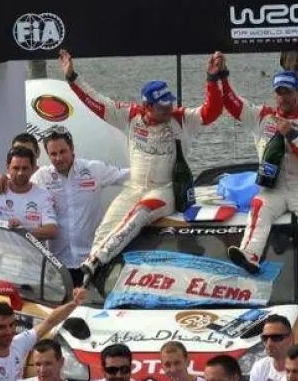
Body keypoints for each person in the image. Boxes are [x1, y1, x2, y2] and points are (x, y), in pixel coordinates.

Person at [60, 49, 223, 284]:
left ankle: (97, 260)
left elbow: (212, 111)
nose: (168, 109)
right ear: (147, 105)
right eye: (162, 106)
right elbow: (96, 102)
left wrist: (211, 78)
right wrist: (72, 78)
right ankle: (91, 280)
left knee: (140, 214)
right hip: (134, 187)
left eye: (169, 103)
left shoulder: (181, 119)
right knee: (104, 230)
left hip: (165, 190)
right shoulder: (129, 116)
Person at [218, 61, 298, 298]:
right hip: (272, 187)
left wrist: (290, 134)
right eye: (279, 92)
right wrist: (222, 76)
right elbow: (232, 104)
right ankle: (250, 254)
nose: (283, 98)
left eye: (288, 92)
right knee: (259, 208)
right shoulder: (262, 116)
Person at [30, 126, 129, 283]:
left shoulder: (94, 169)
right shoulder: (41, 177)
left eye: (62, 152)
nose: (58, 158)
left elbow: (127, 176)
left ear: (72, 149)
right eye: (53, 154)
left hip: (92, 262)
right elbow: (17, 188)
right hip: (57, 265)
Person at [0, 288, 84, 381]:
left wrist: (74, 303)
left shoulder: (18, 343)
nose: (9, 331)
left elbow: (50, 322)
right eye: (2, 327)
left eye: (12, 325)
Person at [248, 314, 295, 381]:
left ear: (291, 337)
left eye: (276, 338)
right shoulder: (259, 368)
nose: (269, 343)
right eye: (265, 338)